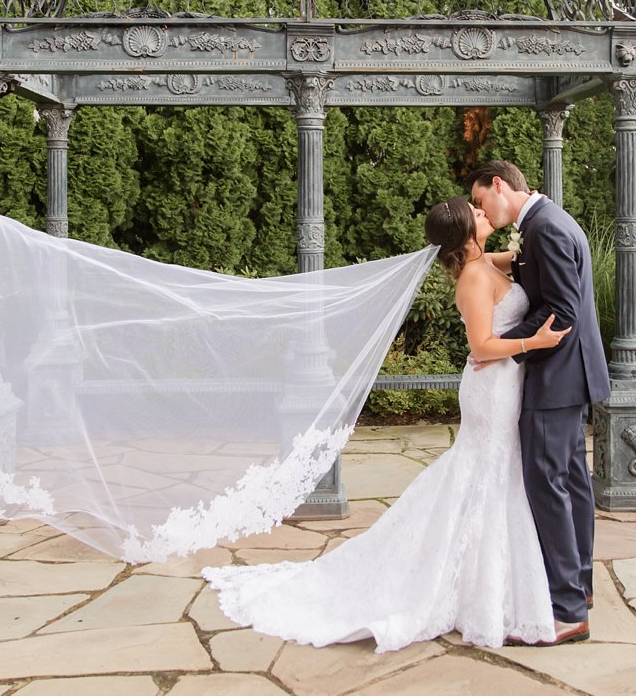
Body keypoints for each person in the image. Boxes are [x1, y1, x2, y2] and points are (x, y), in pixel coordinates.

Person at [201, 195, 571, 652]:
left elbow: (517, 261)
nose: (482, 212)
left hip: (505, 385)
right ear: (465, 233)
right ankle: (467, 590)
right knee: (486, 475)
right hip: (491, 388)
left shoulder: (484, 262)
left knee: (493, 477)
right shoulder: (474, 276)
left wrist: (534, 240)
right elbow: (480, 347)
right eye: (475, 212)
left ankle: (486, 584)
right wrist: (532, 342)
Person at [468, 159, 609, 646]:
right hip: (573, 380)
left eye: (481, 198)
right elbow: (545, 284)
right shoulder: (550, 220)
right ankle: (580, 589)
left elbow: (562, 311)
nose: (480, 207)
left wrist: (504, 342)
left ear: (500, 186)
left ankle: (567, 610)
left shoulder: (544, 229)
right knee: (572, 485)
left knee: (548, 488)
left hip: (555, 382)